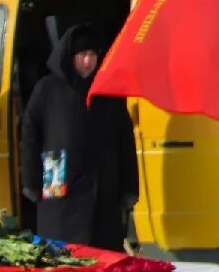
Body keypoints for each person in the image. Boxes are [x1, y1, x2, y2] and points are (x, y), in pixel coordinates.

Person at [19, 22, 138, 251]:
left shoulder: (107, 91)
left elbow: (125, 140)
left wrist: (129, 188)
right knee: (64, 256)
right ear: (69, 56)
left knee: (102, 256)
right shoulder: (48, 89)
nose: (87, 61)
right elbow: (30, 135)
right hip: (60, 191)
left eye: (93, 54)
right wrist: (31, 181)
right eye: (82, 54)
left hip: (103, 191)